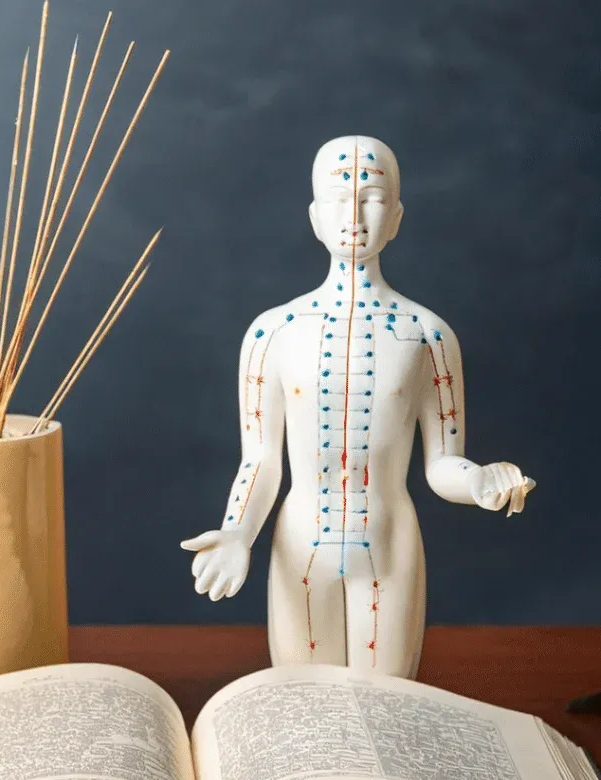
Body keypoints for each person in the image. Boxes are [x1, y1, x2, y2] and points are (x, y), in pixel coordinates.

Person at [181, 135, 534, 678]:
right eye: (337, 195)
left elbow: (441, 463)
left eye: (372, 196)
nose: (355, 214)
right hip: (299, 546)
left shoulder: (428, 335)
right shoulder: (270, 332)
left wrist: (479, 481)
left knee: (389, 713)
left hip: (390, 545)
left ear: (395, 216)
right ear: (315, 215)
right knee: (309, 714)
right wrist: (236, 533)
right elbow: (261, 460)